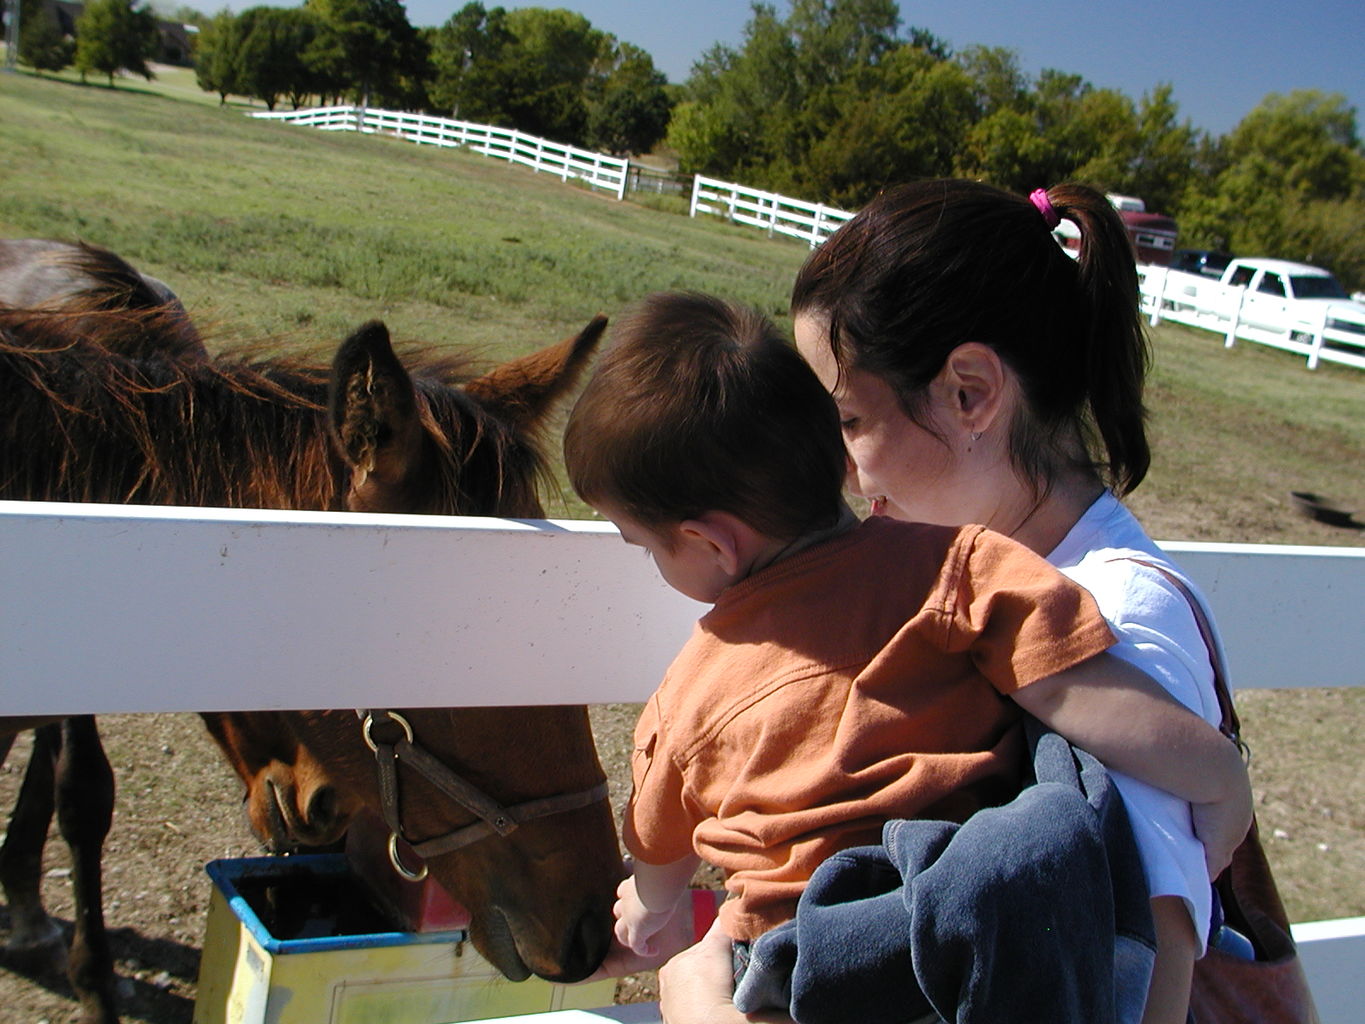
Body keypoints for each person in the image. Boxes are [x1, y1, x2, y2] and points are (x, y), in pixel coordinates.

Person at [565, 289, 1251, 1022]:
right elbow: (1092, 700)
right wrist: (1219, 784)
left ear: (709, 544)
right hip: (971, 945)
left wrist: (644, 911)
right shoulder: (962, 568)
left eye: (642, 543)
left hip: (800, 967)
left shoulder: (688, 695)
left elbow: (659, 854)